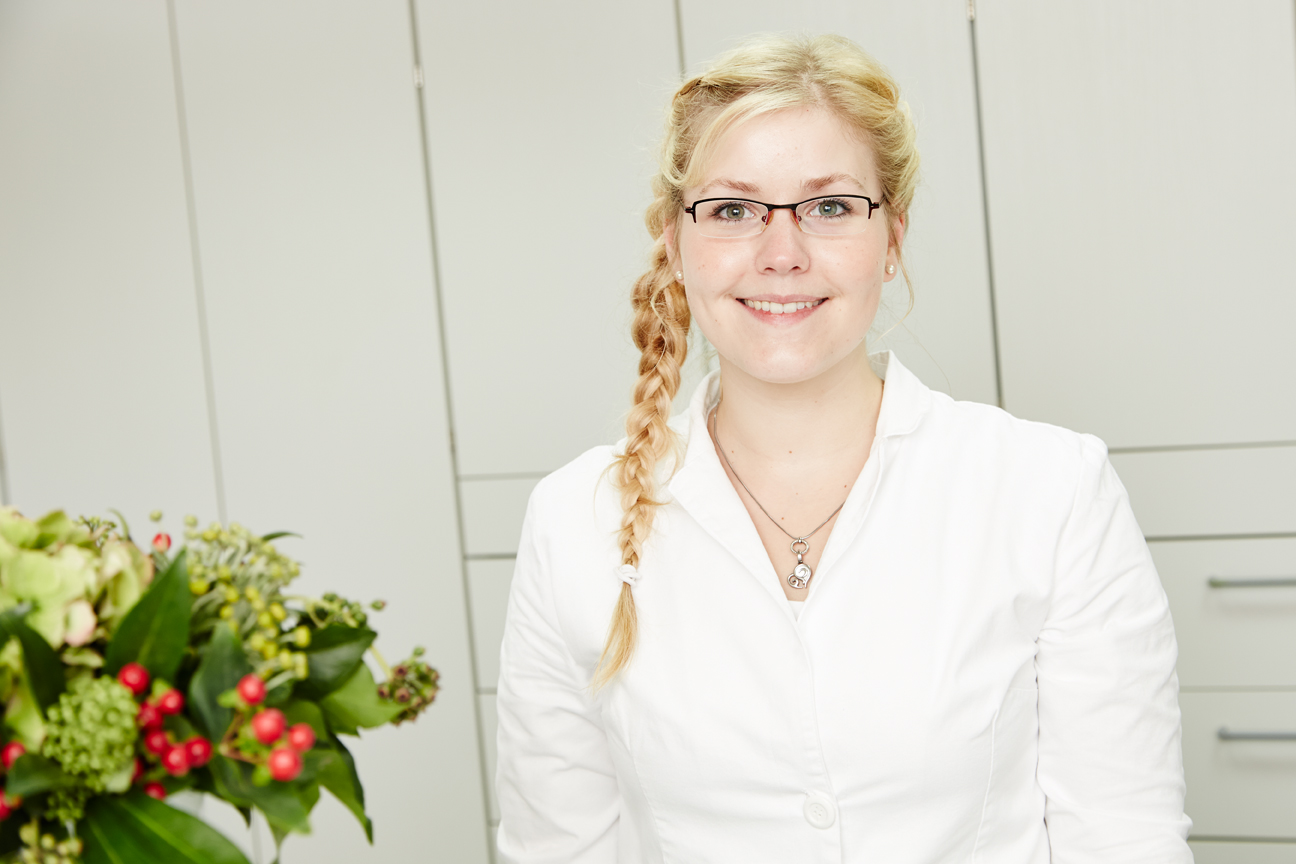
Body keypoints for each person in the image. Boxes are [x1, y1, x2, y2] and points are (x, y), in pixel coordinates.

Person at [494, 33, 1191, 863]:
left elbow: (1124, 838)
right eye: (732, 210)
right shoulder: (574, 520)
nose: (781, 255)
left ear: (892, 239)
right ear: (675, 244)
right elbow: (557, 848)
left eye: (828, 208)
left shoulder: (1051, 491)